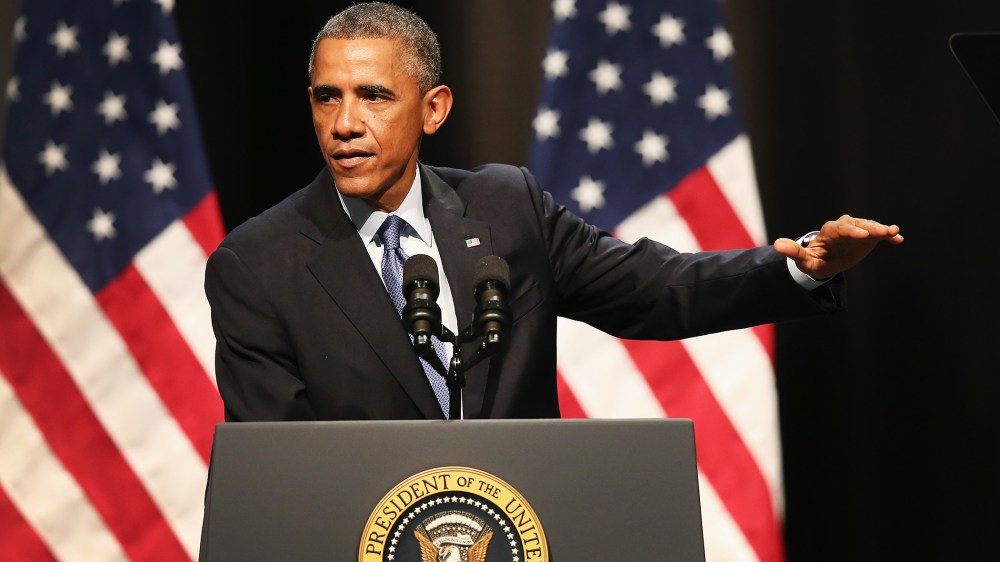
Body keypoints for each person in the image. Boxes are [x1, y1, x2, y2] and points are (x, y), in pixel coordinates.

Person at [204, 2, 903, 422]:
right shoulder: (259, 262)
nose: (345, 123)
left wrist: (802, 267)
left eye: (374, 96)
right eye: (328, 97)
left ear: (434, 108)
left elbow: (657, 291)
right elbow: (278, 461)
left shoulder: (507, 208)